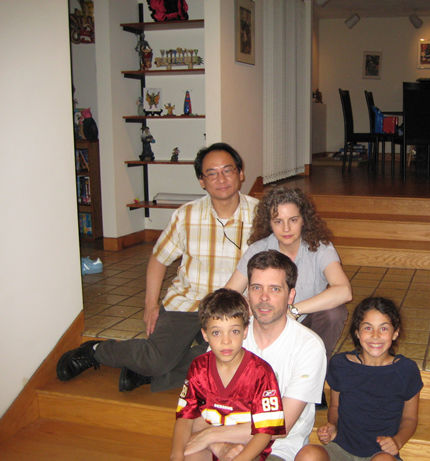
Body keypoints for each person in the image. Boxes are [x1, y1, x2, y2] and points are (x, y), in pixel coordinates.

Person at [56, 143, 259, 392]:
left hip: (235, 308)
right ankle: (96, 350)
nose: (221, 179)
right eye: (212, 173)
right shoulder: (186, 215)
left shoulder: (260, 216)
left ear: (241, 173)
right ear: (202, 181)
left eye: (228, 170)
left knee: (228, 356)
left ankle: (149, 373)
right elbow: (159, 259)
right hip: (187, 302)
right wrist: (150, 304)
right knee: (158, 358)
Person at [184, 250, 327, 461]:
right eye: (256, 288)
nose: (264, 298)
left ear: (290, 296)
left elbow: (281, 426)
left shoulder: (309, 346)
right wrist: (220, 446)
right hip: (224, 439)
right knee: (191, 453)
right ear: (247, 293)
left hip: (278, 448)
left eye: (275, 289)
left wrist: (211, 435)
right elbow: (197, 411)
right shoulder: (229, 336)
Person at [226, 186, 352, 360]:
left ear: (304, 220)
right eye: (278, 221)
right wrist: (251, 306)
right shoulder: (258, 249)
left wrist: (293, 310)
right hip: (266, 321)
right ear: (269, 223)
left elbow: (344, 291)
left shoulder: (320, 248)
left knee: (334, 313)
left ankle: (318, 362)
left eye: (293, 220)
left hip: (305, 321)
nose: (286, 228)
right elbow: (228, 293)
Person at [295, 297, 423, 461]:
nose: (375, 335)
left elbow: (410, 418)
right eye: (368, 328)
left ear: (395, 333)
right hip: (341, 448)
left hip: (379, 453)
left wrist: (397, 441)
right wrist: (332, 426)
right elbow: (335, 406)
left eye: (383, 328)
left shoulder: (406, 370)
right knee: (308, 454)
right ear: (357, 332)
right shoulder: (341, 364)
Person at [171, 288, 285, 461]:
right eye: (216, 332)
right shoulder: (199, 367)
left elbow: (265, 432)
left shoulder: (261, 373)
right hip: (210, 445)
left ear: (245, 331)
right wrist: (176, 455)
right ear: (205, 334)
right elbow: (185, 418)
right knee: (189, 452)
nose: (226, 341)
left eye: (234, 331)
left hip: (247, 451)